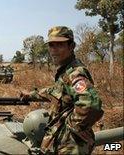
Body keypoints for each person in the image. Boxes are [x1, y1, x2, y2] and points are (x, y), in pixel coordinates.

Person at [21, 26, 103, 154]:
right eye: (51, 45)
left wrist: (69, 130)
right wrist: (31, 95)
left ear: (71, 46)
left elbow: (90, 105)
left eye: (59, 45)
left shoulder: (75, 73)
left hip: (71, 147)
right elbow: (55, 92)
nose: (54, 50)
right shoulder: (66, 71)